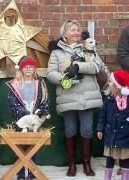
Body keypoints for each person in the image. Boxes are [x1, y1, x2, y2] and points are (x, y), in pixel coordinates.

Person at [47, 20, 103, 177]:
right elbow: (51, 73)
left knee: (86, 130)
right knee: (70, 130)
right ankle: (71, 164)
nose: (77, 33)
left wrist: (78, 67)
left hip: (87, 96)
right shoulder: (56, 52)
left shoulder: (87, 48)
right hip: (67, 96)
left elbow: (96, 66)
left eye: (78, 30)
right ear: (65, 33)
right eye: (73, 30)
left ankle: (86, 164)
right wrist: (64, 78)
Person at [6, 56, 49, 180]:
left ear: (35, 69)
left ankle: (31, 172)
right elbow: (13, 103)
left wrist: (38, 111)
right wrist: (24, 112)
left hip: (34, 121)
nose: (29, 69)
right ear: (21, 69)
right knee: (19, 147)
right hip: (21, 120)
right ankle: (20, 173)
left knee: (32, 147)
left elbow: (45, 100)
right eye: (26, 67)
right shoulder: (14, 85)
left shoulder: (40, 83)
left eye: (31, 67)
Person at [97, 70, 129, 180]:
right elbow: (103, 116)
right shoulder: (109, 100)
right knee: (109, 158)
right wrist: (100, 129)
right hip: (111, 135)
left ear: (118, 86)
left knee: (125, 158)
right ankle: (107, 177)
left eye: (111, 82)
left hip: (125, 136)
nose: (109, 84)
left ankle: (125, 177)